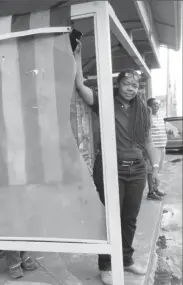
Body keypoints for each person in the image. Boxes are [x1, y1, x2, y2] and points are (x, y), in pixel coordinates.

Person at [74, 40, 160, 285]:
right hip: (110, 169)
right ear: (118, 84)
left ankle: (126, 259)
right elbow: (80, 86)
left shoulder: (143, 110)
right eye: (126, 84)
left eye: (135, 85)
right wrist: (78, 57)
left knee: (130, 218)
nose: (131, 89)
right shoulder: (105, 103)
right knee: (109, 217)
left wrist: (154, 169)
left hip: (137, 171)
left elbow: (149, 143)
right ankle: (105, 264)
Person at [146, 98, 168, 200]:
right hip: (153, 148)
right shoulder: (147, 117)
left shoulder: (160, 116)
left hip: (162, 146)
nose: (157, 106)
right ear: (149, 106)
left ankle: (156, 189)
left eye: (158, 104)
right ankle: (151, 192)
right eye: (155, 104)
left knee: (158, 170)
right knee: (151, 170)